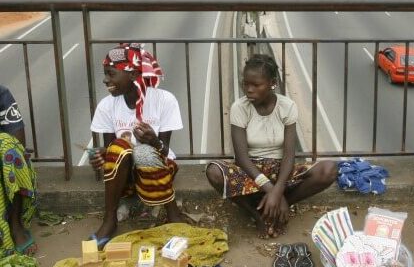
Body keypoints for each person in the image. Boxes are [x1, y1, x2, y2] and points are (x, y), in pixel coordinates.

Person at [206, 54, 337, 238]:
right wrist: (271, 190)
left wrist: (279, 190)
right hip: (250, 171)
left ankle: (277, 205)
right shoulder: (239, 108)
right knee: (213, 171)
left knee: (328, 170)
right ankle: (257, 214)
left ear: (272, 83)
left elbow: (289, 154)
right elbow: (241, 158)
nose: (249, 90)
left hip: (280, 169)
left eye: (256, 85)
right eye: (246, 84)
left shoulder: (287, 107)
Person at [88, 43, 184, 248]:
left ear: (132, 75)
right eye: (105, 74)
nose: (106, 80)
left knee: (143, 151)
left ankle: (172, 212)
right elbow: (111, 151)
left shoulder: (164, 100)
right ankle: (109, 220)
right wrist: (99, 156)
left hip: (157, 175)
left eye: (111, 74)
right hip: (124, 181)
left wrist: (154, 140)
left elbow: (165, 151)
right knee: (119, 147)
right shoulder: (107, 105)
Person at [0, 85, 37, 257]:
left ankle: (16, 225)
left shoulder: (2, 93)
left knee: (9, 148)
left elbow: (17, 140)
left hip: (4, 168)